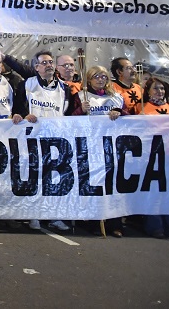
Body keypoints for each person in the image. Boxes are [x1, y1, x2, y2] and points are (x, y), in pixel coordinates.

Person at [19, 51, 72, 232]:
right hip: (33, 138)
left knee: (54, 177)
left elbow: (68, 112)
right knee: (35, 176)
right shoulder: (27, 84)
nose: (48, 65)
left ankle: (55, 215)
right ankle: (34, 214)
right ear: (36, 67)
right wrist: (25, 115)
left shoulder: (64, 88)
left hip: (56, 138)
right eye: (44, 63)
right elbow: (18, 109)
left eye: (51, 62)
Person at [72, 65, 125, 236]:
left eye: (103, 76)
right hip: (90, 147)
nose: (100, 79)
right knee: (93, 184)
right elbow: (68, 120)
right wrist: (81, 110)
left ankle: (114, 223)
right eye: (96, 76)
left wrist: (120, 112)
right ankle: (93, 222)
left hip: (111, 147)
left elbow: (130, 118)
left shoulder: (116, 98)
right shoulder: (81, 96)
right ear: (89, 79)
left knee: (112, 185)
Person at [140, 79, 169, 239]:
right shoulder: (143, 108)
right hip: (152, 156)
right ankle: (154, 226)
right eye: (155, 88)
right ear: (148, 91)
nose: (160, 91)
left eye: (162, 88)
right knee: (154, 192)